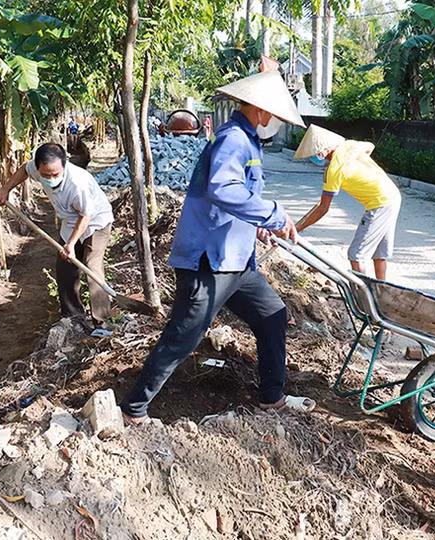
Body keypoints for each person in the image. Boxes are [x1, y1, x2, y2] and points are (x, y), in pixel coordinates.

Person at [120, 70, 315, 424]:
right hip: (209, 262)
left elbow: (238, 199)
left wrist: (257, 225)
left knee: (272, 315)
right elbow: (223, 189)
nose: (275, 123)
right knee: (184, 336)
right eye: (275, 115)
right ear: (262, 110)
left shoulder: (248, 141)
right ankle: (133, 409)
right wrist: (273, 214)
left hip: (237, 262)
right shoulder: (234, 140)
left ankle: (272, 397)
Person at [0, 143, 114, 327]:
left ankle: (102, 321)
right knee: (65, 269)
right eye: (46, 175)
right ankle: (72, 317)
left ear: (64, 165)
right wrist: (5, 189)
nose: (51, 179)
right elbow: (24, 170)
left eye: (56, 174)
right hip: (69, 222)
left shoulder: (78, 184)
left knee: (92, 266)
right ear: (39, 168)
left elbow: (85, 216)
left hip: (95, 222)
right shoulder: (38, 168)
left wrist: (71, 244)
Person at [293, 124, 401, 280]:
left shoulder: (333, 170)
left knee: (356, 254)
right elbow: (370, 146)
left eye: (315, 154)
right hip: (393, 195)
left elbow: (323, 208)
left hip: (380, 203)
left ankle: (363, 293)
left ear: (322, 152)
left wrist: (298, 228)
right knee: (379, 253)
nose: (314, 157)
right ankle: (381, 289)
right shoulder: (350, 145)